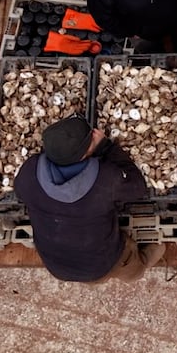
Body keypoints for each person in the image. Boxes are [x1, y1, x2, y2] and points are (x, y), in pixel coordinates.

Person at [13, 115, 164, 282]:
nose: (95, 133)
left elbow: (20, 192)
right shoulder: (104, 180)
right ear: (84, 154)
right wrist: (106, 147)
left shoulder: (29, 173)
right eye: (91, 137)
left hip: (55, 264)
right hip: (101, 264)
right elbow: (137, 187)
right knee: (131, 269)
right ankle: (140, 265)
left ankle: (93, 279)